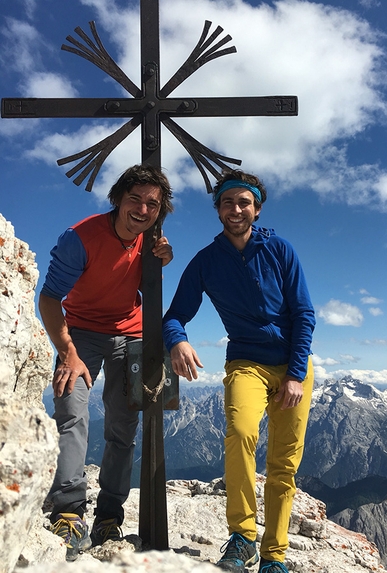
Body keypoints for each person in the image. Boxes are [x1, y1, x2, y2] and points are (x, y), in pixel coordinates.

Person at [163, 169, 315, 573]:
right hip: (246, 362)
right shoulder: (206, 262)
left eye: (244, 202)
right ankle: (243, 536)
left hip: (293, 366)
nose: (236, 209)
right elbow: (175, 315)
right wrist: (177, 340)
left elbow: (304, 313)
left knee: (284, 463)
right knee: (241, 431)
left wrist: (296, 374)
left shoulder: (280, 249)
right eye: (228, 202)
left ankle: (274, 556)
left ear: (257, 209)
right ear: (218, 210)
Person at [39, 164, 174, 561]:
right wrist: (68, 352)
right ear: (117, 198)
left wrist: (161, 263)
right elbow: (49, 299)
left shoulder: (152, 240)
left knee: (123, 427)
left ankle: (109, 516)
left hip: (132, 334)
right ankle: (67, 512)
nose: (143, 208)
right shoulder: (79, 239)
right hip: (79, 333)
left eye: (153, 203)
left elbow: (148, 288)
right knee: (70, 412)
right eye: (135, 198)